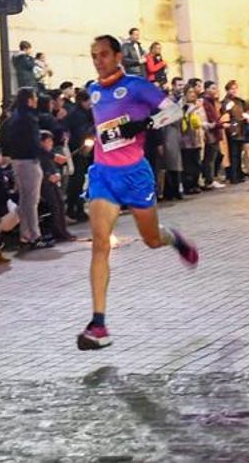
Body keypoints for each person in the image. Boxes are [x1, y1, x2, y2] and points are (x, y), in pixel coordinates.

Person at [77, 35, 198, 351]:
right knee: (100, 243)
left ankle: (174, 239)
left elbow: (174, 111)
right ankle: (98, 324)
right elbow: (104, 125)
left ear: (118, 56)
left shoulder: (137, 86)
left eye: (104, 54)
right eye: (94, 56)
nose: (99, 61)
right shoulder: (92, 89)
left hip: (135, 175)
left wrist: (144, 124)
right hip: (104, 174)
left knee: (152, 239)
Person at [0, 88, 45, 250]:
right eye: (35, 97)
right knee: (31, 201)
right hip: (28, 161)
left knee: (25, 200)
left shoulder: (13, 118)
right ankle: (33, 236)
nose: (36, 100)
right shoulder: (27, 119)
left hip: (17, 161)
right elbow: (33, 142)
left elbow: (4, 141)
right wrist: (50, 155)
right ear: (29, 100)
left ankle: (25, 235)